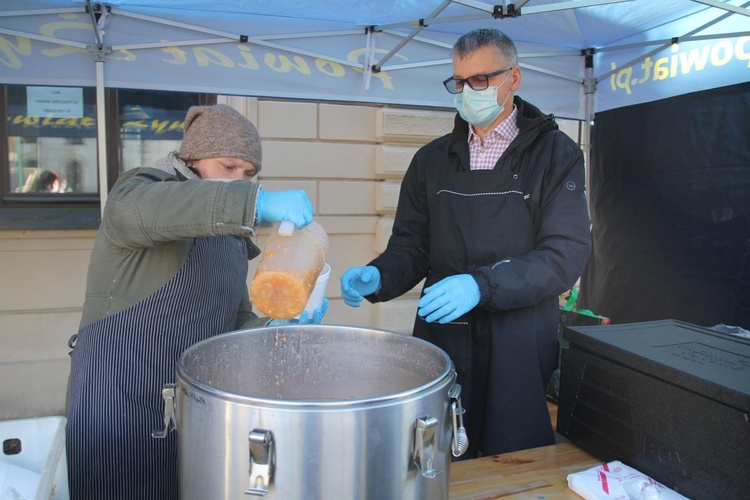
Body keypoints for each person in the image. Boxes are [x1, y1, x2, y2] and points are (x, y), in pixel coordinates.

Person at [340, 28, 591, 458]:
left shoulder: (556, 155)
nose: (466, 91)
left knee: (514, 461)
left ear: (514, 77)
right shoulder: (432, 160)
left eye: (480, 80)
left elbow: (563, 256)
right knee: (438, 456)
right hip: (445, 336)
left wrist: (482, 285)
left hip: (520, 339)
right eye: (459, 82)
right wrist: (378, 275)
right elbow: (412, 246)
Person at [66, 104, 328, 499]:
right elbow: (143, 210)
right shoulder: (140, 192)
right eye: (228, 167)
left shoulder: (231, 236)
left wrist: (271, 329)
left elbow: (233, 320)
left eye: (249, 174)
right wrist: (254, 202)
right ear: (192, 158)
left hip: (195, 409)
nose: (239, 181)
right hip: (117, 405)